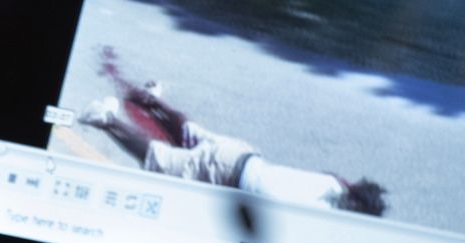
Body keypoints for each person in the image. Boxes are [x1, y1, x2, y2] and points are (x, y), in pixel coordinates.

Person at [80, 86, 387, 216]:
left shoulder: (333, 184)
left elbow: (337, 179)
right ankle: (104, 119)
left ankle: (150, 99)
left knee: (192, 135)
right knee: (160, 160)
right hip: (231, 175)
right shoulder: (326, 213)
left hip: (245, 157)